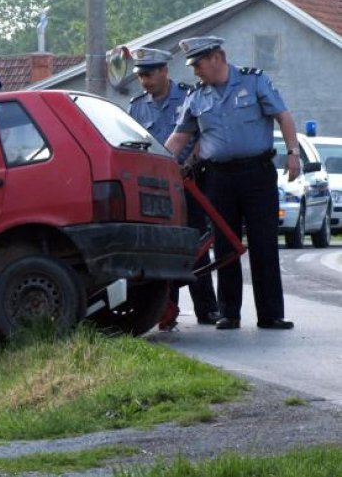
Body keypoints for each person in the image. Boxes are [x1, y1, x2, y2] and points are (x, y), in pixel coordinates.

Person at [165, 36, 298, 331]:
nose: (195, 71)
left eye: (198, 64)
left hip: (257, 175)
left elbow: (283, 116)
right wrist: (157, 163)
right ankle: (229, 313)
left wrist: (293, 153)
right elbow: (179, 138)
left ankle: (271, 314)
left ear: (217, 58)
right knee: (225, 246)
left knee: (264, 244)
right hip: (218, 178)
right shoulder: (197, 97)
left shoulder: (254, 82)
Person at [127, 48, 220, 330]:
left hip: (189, 180)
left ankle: (207, 308)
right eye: (141, 76)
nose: (145, 81)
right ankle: (166, 309)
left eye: (150, 74)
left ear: (165, 71)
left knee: (195, 242)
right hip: (156, 187)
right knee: (164, 246)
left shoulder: (189, 96)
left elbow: (204, 136)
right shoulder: (137, 106)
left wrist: (189, 162)